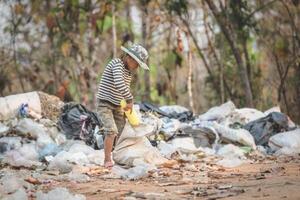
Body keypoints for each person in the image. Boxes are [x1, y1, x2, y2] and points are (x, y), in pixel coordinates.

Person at [96, 44, 149, 168]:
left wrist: (127, 106)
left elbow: (124, 89)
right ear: (129, 58)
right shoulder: (116, 64)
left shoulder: (128, 73)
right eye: (136, 63)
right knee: (111, 131)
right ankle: (107, 159)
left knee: (122, 132)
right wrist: (130, 99)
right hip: (105, 104)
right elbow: (119, 83)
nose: (137, 67)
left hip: (118, 105)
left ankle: (118, 156)